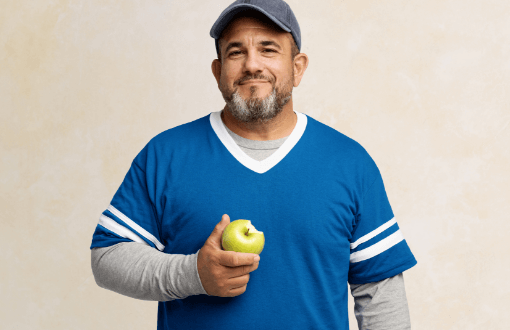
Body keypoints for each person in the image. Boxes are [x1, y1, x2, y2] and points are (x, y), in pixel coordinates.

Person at [90, 0, 417, 329]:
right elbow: (107, 257)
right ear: (218, 71)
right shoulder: (167, 154)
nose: (251, 65)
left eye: (268, 49)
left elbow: (380, 291)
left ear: (298, 67)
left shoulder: (348, 162)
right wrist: (194, 275)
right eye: (235, 52)